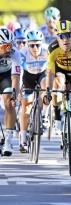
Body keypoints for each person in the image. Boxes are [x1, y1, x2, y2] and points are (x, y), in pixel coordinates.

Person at [45, 20, 71, 166]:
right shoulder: (52, 49)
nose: (65, 39)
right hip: (60, 72)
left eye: (68, 35)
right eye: (61, 36)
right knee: (58, 83)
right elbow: (50, 74)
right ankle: (57, 117)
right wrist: (48, 92)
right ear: (57, 37)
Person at [19, 30, 48, 153]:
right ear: (27, 45)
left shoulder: (47, 51)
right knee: (26, 105)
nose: (35, 48)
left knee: (47, 88)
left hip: (42, 74)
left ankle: (44, 115)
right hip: (28, 77)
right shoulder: (23, 53)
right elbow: (19, 72)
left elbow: (52, 68)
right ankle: (23, 140)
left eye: (37, 45)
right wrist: (20, 88)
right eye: (32, 45)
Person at [0, 28, 21, 156]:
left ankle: (8, 140)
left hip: (6, 76)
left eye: (11, 45)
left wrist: (15, 96)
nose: (9, 49)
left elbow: (16, 78)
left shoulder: (15, 53)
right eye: (5, 46)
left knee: (9, 102)